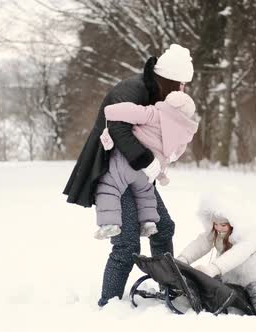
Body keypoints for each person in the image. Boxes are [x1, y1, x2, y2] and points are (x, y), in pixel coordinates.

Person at [62, 44, 195, 306]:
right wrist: (148, 161)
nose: (183, 90)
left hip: (139, 176)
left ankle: (166, 290)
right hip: (113, 174)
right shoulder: (131, 90)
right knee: (127, 244)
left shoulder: (157, 95)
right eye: (181, 83)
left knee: (163, 227)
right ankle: (108, 305)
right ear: (169, 80)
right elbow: (118, 129)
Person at [94, 91, 199, 240]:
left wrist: (110, 110)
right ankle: (149, 223)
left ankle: (110, 224)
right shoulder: (184, 132)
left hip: (129, 160)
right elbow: (175, 154)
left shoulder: (154, 114)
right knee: (145, 194)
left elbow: (132, 111)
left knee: (109, 187)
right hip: (149, 172)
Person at [176, 195, 256, 324]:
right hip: (232, 272)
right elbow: (201, 243)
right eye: (215, 224)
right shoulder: (218, 233)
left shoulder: (252, 236)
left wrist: (213, 268)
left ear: (235, 224)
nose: (218, 228)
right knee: (215, 286)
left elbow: (237, 254)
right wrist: (183, 259)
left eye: (223, 225)